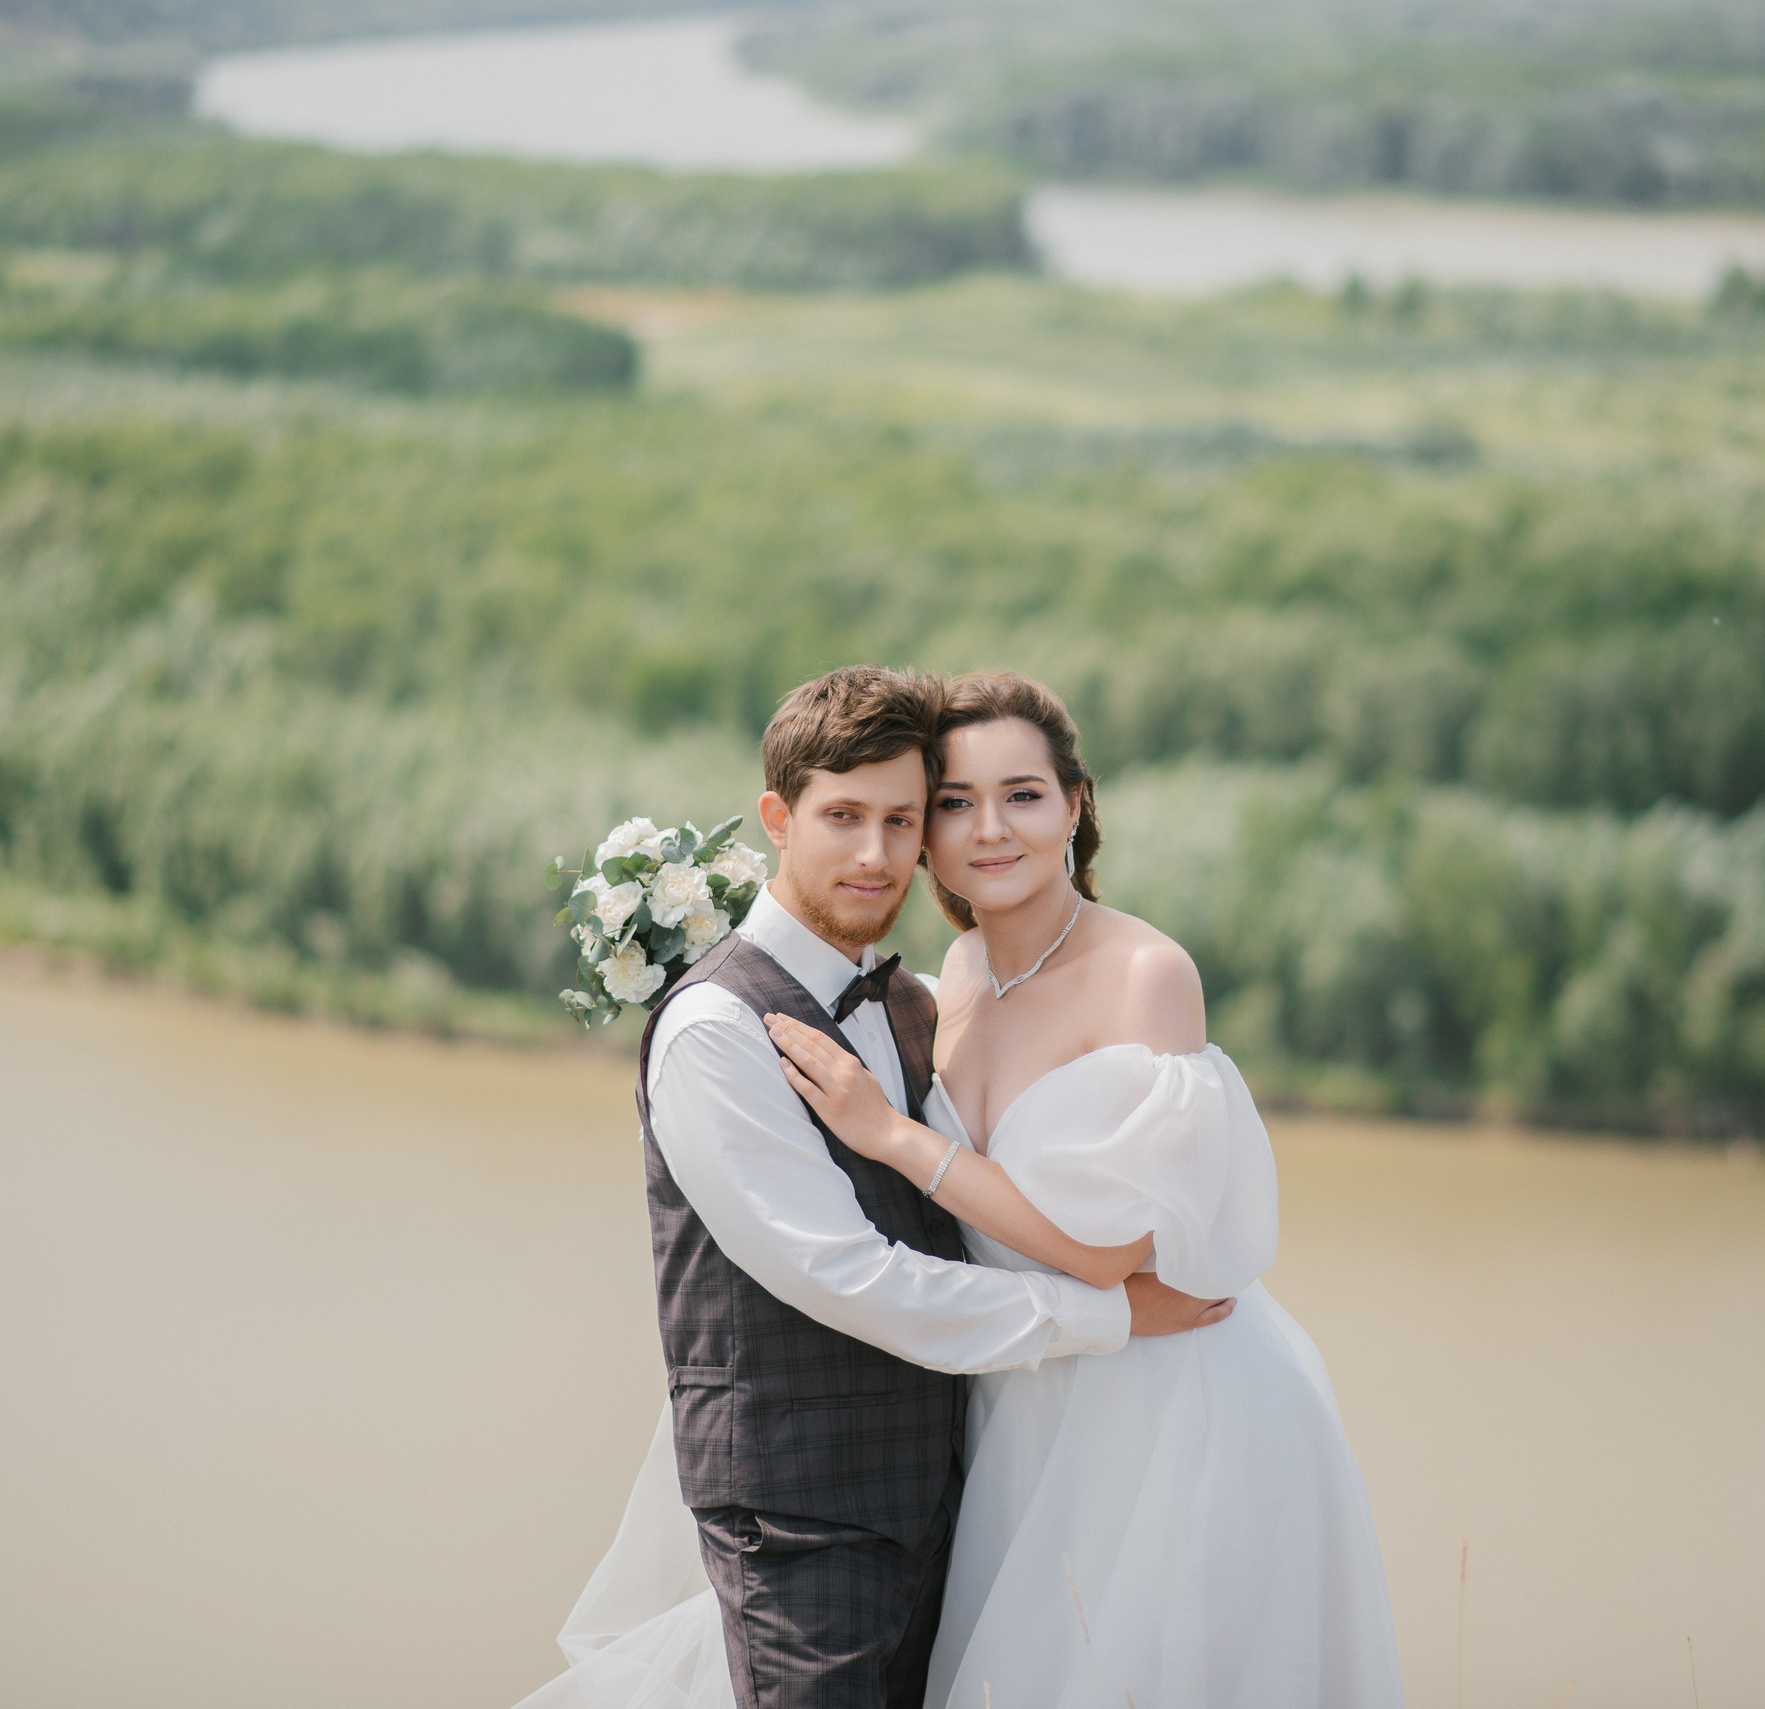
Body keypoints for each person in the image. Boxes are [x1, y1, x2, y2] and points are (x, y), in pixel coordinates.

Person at [514, 665, 1231, 1709]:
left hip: (942, 1505)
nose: (874, 853)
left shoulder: (909, 999)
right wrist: (1107, 1312)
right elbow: (853, 1276)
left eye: (903, 820)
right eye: (843, 816)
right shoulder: (715, 1030)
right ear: (775, 817)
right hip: (799, 1525)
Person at [764, 670, 1406, 1707]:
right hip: (1025, 1400)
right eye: (955, 803)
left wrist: (889, 1135)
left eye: (1021, 793)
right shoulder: (958, 971)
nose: (988, 829)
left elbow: (1109, 1250)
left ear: (1074, 804)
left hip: (1166, 1397)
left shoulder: (1145, 975)